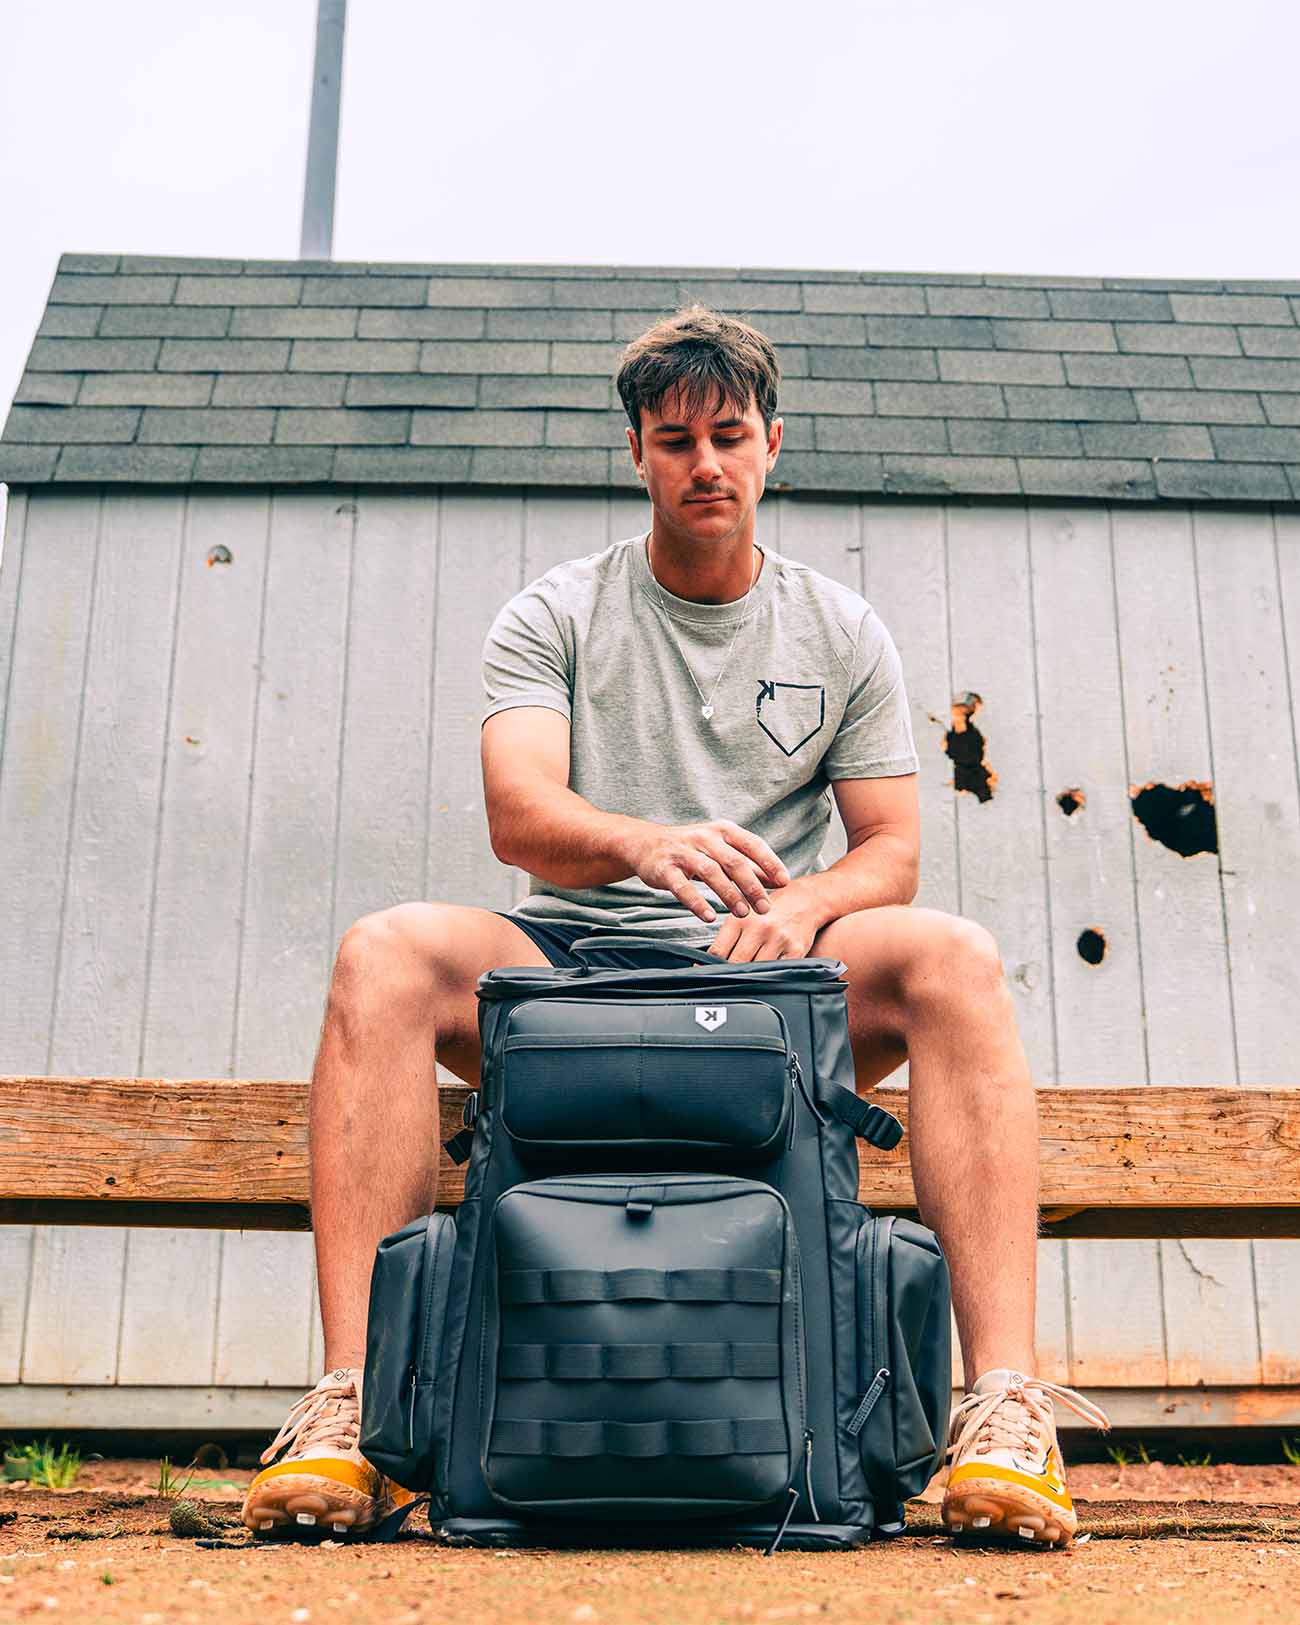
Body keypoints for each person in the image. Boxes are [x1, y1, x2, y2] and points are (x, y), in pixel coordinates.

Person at [241, 304, 1108, 1545]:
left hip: (769, 980)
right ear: (637, 453)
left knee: (955, 960)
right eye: (674, 437)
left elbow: (893, 851)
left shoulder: (841, 629)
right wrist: (642, 841)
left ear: (771, 449)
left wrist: (807, 901)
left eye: (729, 435)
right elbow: (519, 813)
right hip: (574, 971)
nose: (705, 462)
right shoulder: (554, 611)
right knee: (385, 949)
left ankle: (1005, 1410)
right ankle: (357, 1410)